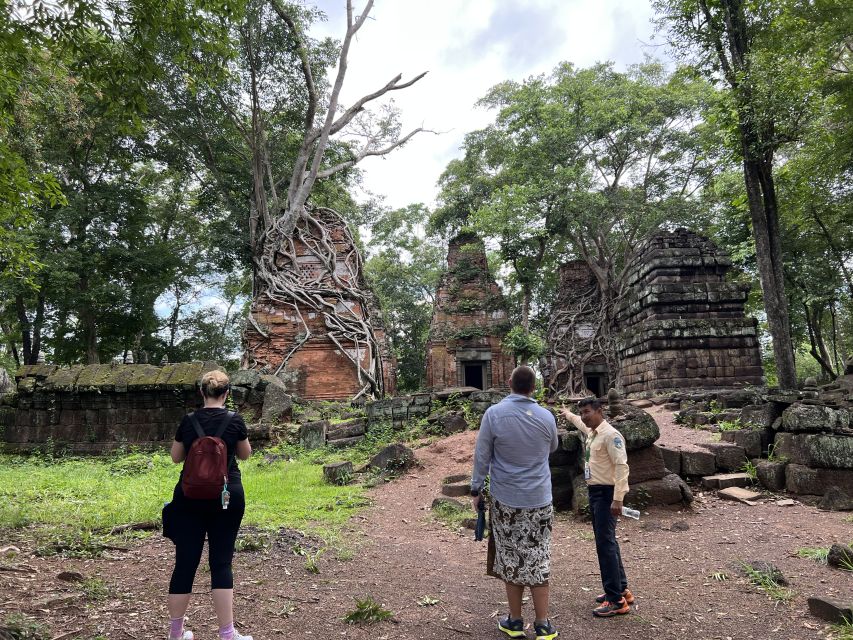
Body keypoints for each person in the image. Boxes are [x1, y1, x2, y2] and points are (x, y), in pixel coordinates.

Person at [471, 366, 560, 640]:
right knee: (539, 556)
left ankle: (515, 620)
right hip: (540, 499)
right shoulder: (546, 417)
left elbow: (482, 455)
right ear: (534, 387)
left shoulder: (494, 414)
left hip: (507, 499)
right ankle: (543, 624)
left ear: (508, 383)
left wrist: (476, 490)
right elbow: (553, 448)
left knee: (511, 558)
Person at [166, 370, 253, 640]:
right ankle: (227, 633)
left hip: (189, 496)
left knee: (184, 564)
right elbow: (245, 454)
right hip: (227, 494)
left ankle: (176, 633)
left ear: (201, 393)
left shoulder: (189, 420)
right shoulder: (234, 419)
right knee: (222, 563)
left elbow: (175, 457)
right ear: (226, 394)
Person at [561, 397, 632, 618]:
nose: (584, 416)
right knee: (608, 541)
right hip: (595, 492)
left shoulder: (611, 435)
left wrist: (618, 498)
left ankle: (615, 600)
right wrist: (568, 414)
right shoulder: (593, 431)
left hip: (606, 493)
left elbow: (622, 466)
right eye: (581, 412)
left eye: (587, 412)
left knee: (605, 545)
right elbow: (580, 424)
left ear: (600, 411)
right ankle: (621, 589)